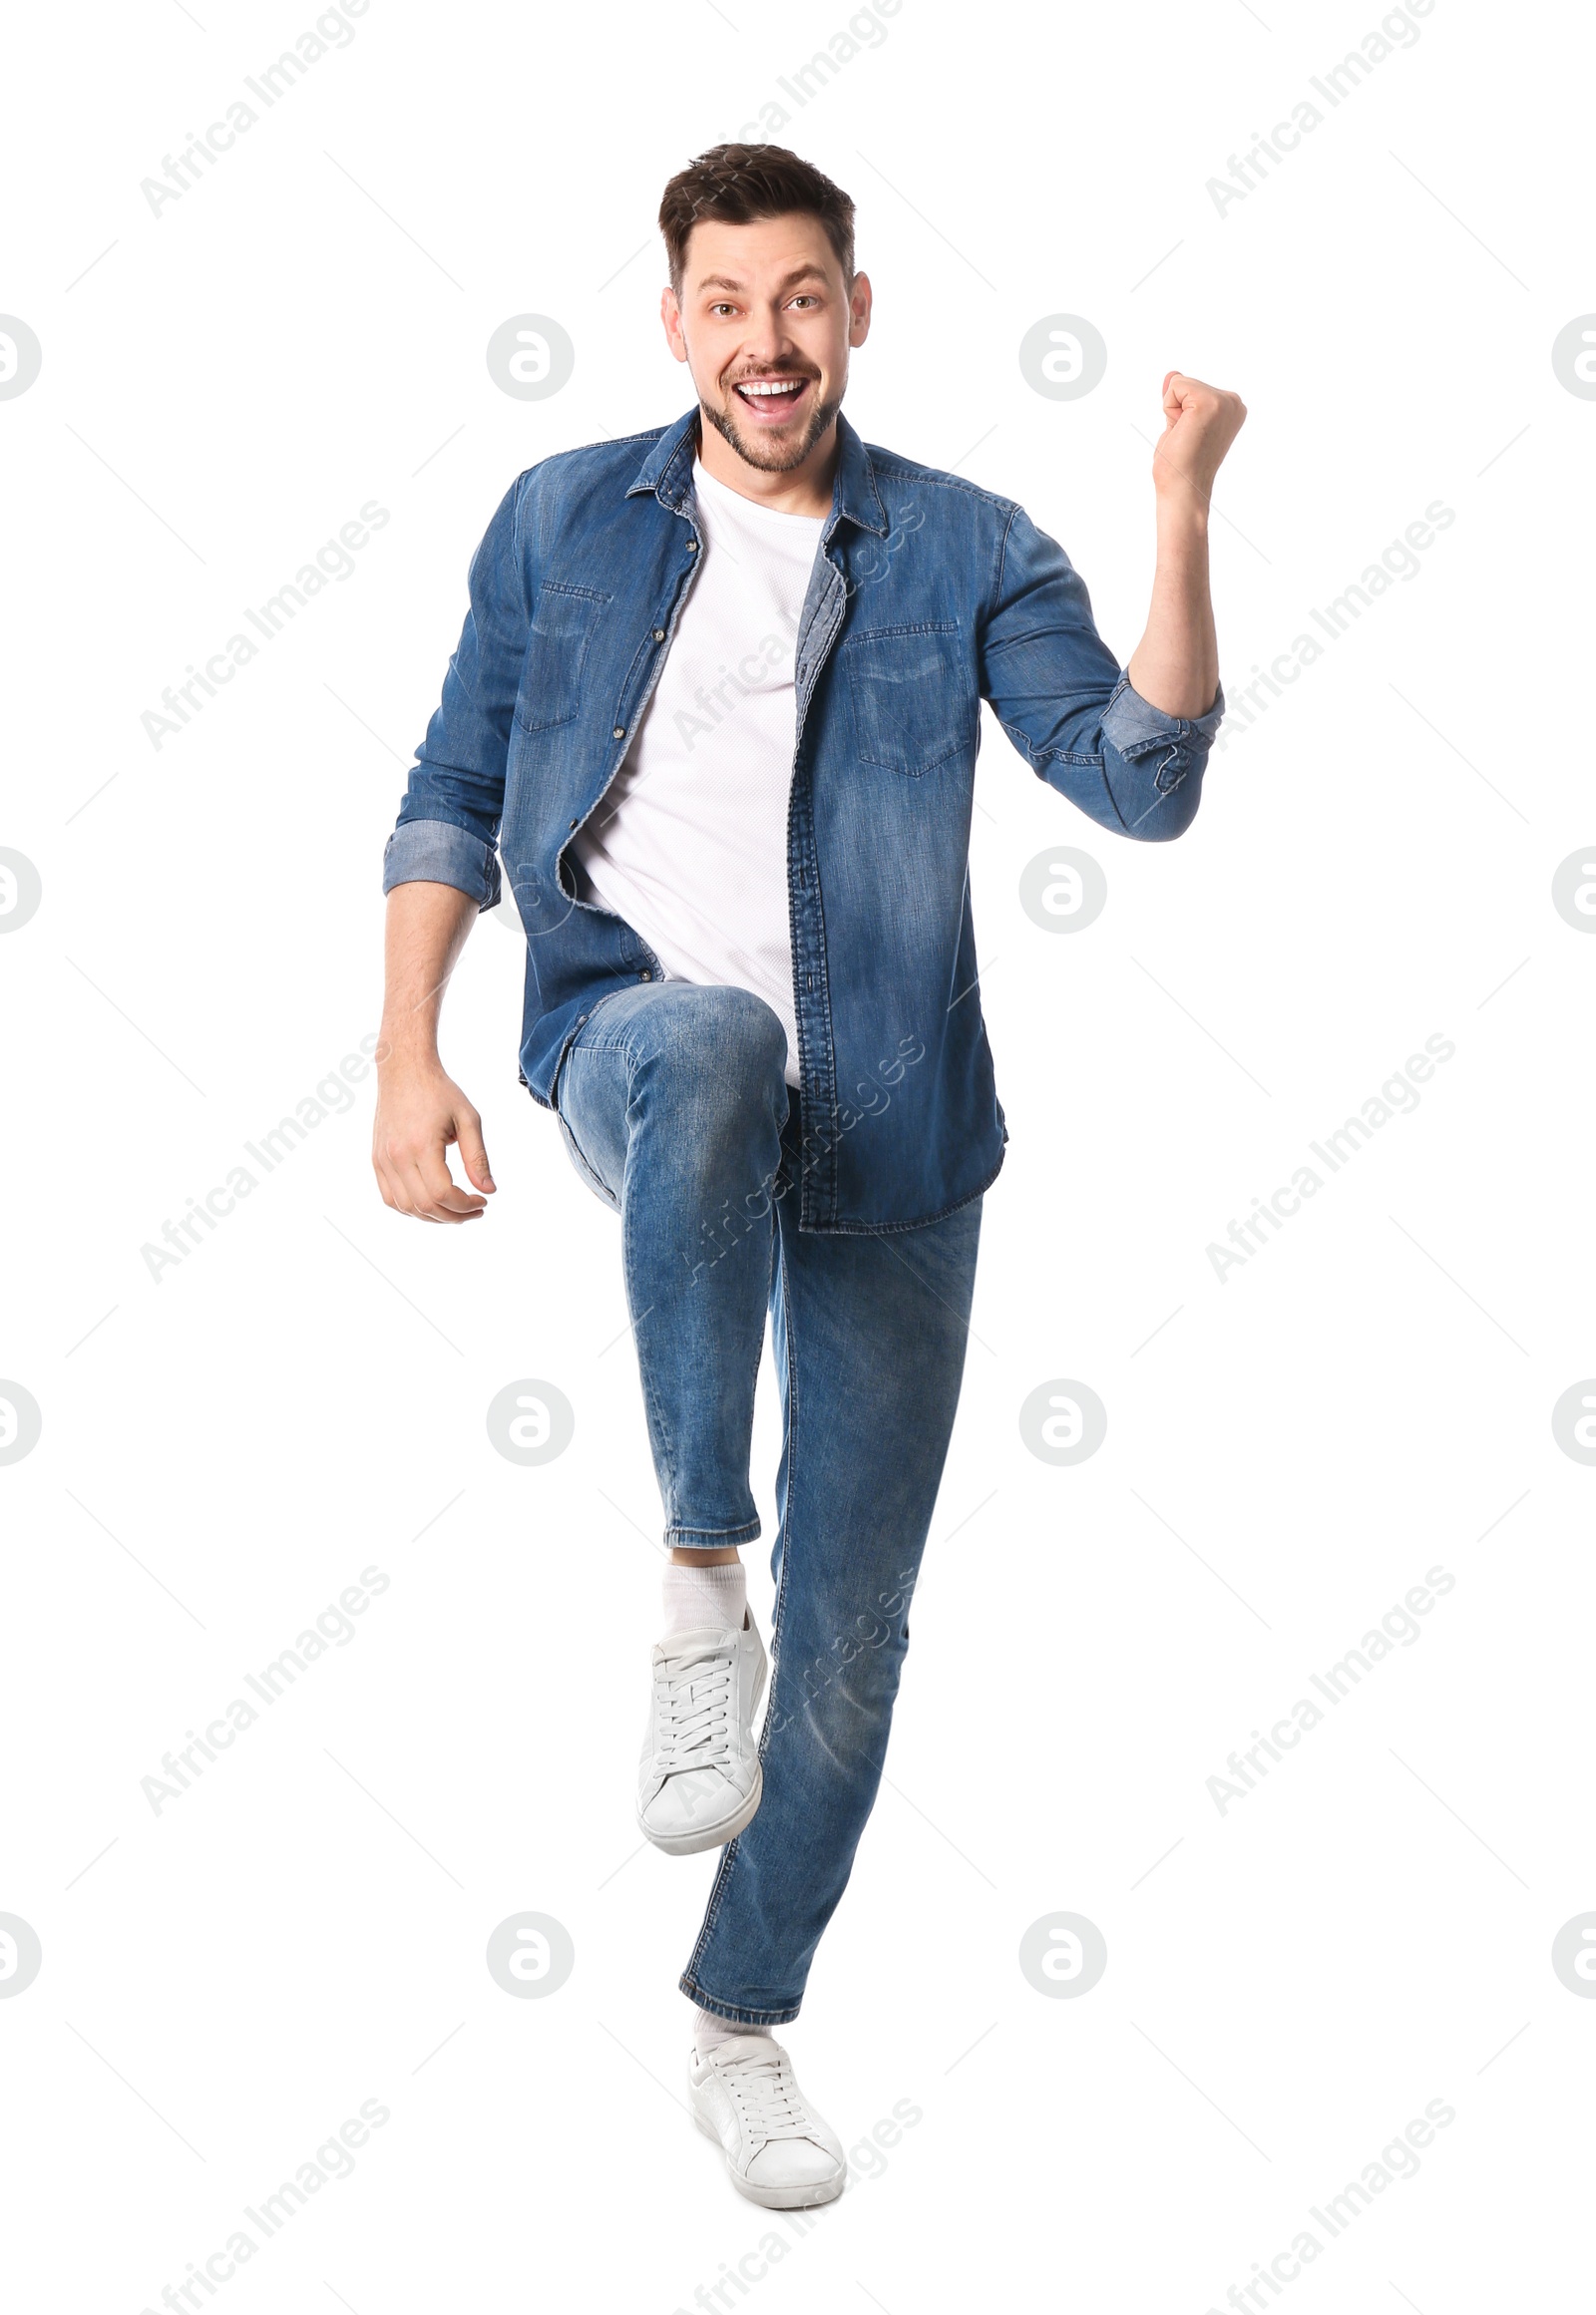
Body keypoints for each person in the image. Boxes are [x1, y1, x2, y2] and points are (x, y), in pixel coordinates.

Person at [371, 144, 1244, 2208]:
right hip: (631, 1052)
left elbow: (1144, 783)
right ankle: (694, 1585)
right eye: (724, 302)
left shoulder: (959, 546)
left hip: (897, 1137)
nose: (764, 342)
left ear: (853, 311)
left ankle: (739, 2020)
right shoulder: (562, 520)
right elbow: (453, 783)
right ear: (675, 320)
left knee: (854, 1640)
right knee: (710, 1041)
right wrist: (404, 1055)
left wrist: (1181, 511)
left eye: (799, 299)